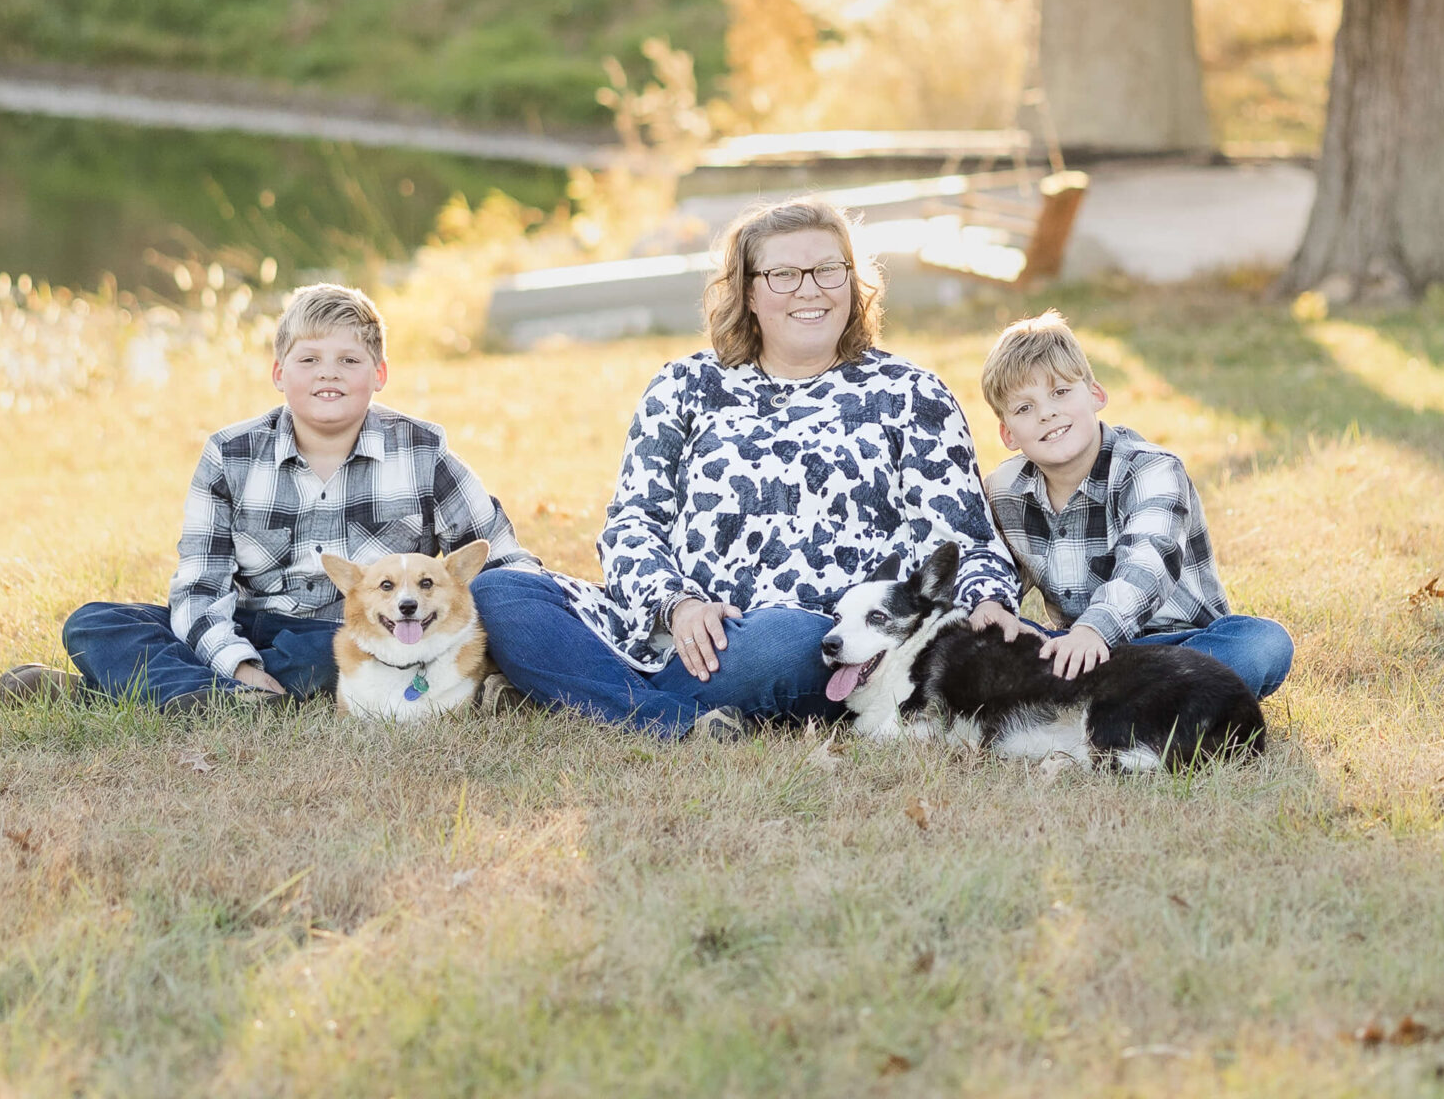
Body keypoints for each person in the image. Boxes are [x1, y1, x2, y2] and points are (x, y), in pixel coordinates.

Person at [473, 196, 1025, 737]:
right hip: (663, 632)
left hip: (818, 642)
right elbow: (632, 525)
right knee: (503, 593)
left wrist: (991, 601)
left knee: (782, 640)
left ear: (853, 284)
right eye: (783, 274)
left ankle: (587, 695)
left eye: (829, 270)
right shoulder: (684, 386)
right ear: (749, 292)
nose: (810, 289)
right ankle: (674, 719)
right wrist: (678, 604)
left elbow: (964, 538)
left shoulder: (910, 394)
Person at [0, 280, 539, 711]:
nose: (329, 373)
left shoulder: (422, 450)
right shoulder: (230, 455)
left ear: (380, 374)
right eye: (309, 360)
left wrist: (526, 623)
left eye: (349, 361)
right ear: (279, 373)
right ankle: (231, 694)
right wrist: (237, 662)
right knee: (95, 622)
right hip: (249, 623)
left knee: (326, 657)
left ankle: (123, 694)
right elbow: (200, 585)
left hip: (352, 636)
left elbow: (497, 554)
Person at [980, 309, 1293, 698]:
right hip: (1077, 655)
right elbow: (988, 562)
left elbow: (1148, 562)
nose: (1047, 413)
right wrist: (988, 604)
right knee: (985, 644)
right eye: (1024, 408)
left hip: (1179, 651)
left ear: (1096, 395)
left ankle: (1095, 701)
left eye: (1060, 392)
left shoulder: (1151, 469)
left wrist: (1093, 629)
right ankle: (1129, 707)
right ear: (1008, 433)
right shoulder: (1004, 489)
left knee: (1263, 644)